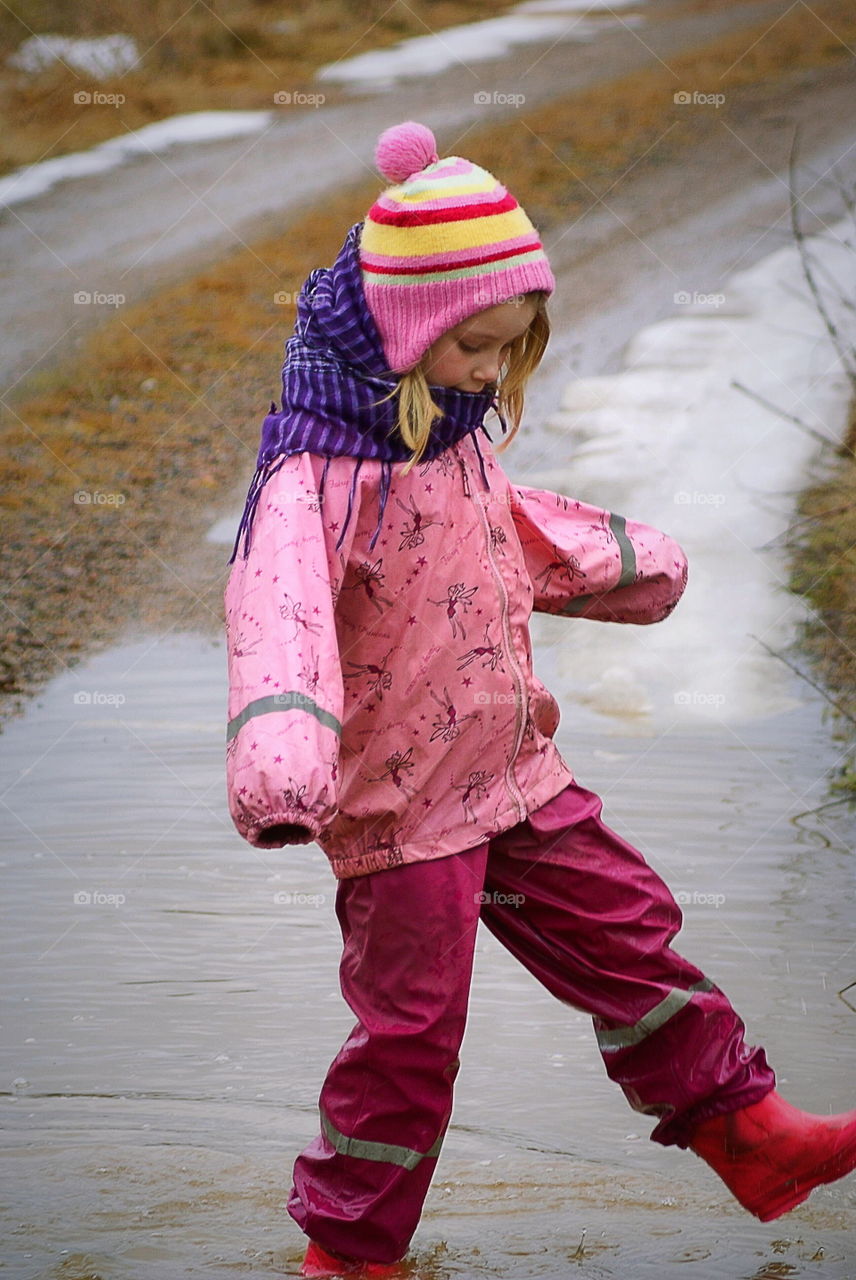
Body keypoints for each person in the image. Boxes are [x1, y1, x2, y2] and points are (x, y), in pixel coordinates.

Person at [223, 121, 856, 1278]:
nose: (487, 372)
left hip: (511, 769)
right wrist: (280, 756)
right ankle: (351, 1253)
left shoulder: (451, 435)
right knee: (411, 1036)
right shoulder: (314, 472)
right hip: (402, 810)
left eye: (508, 350)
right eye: (471, 345)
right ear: (407, 331)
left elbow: (500, 535)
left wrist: (622, 561)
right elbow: (278, 618)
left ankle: (750, 1133)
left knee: (630, 927)